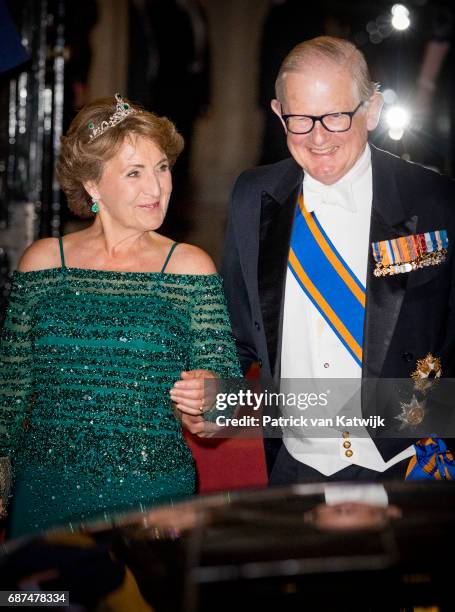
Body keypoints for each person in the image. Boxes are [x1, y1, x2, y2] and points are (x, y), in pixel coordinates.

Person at [0, 94, 241, 539]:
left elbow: (226, 399)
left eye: (162, 168)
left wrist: (208, 400)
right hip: (43, 493)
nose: (157, 188)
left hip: (152, 495)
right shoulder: (42, 262)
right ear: (93, 184)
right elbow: (9, 393)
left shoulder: (190, 266)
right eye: (135, 173)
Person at [221, 36, 455, 483]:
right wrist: (205, 395)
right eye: (300, 119)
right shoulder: (253, 197)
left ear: (373, 111)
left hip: (406, 466)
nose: (318, 136)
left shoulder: (437, 201)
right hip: (294, 467)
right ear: (277, 113)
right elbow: (237, 335)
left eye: (335, 116)